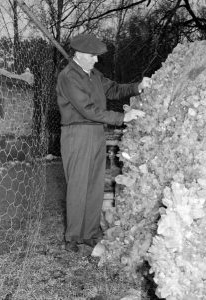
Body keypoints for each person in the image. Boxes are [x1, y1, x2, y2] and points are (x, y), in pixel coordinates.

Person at [56, 33, 151, 252]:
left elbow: (115, 89)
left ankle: (89, 233)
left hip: (97, 132)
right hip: (77, 133)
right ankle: (72, 236)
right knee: (78, 184)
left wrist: (138, 86)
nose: (96, 60)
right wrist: (121, 118)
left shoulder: (93, 74)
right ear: (79, 54)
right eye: (93, 55)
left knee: (95, 184)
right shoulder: (68, 76)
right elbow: (87, 110)